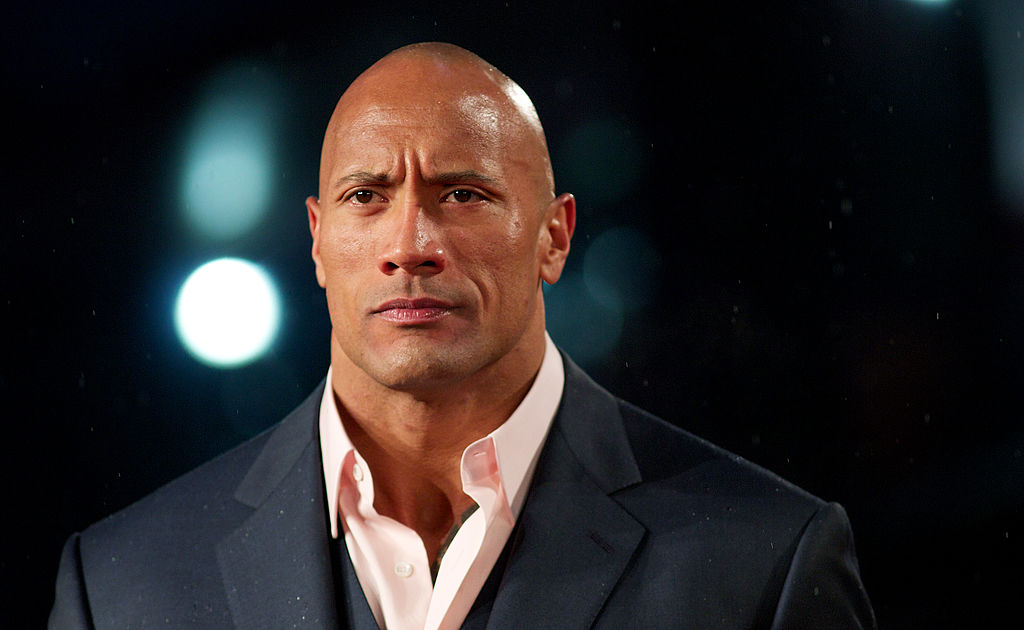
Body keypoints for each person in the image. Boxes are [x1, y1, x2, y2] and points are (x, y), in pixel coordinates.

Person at [49, 42, 876, 629]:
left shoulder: (763, 562)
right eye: (367, 196)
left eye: (464, 194)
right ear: (316, 241)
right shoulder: (124, 586)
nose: (410, 244)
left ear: (555, 237)